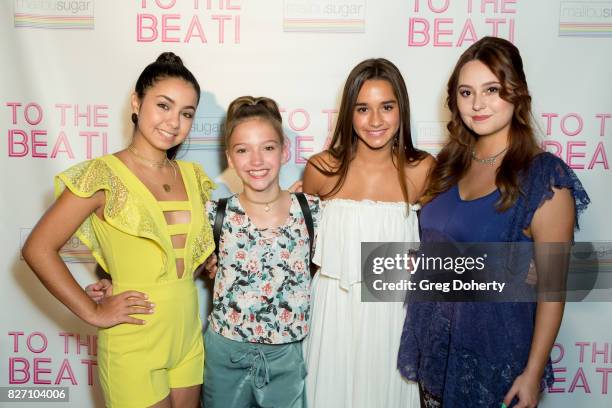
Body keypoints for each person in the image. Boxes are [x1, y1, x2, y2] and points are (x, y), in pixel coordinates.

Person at [397, 37, 590, 408]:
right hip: (437, 355)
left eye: (492, 90)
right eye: (466, 92)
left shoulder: (543, 177)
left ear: (516, 94)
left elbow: (553, 288)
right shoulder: (448, 167)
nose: (477, 104)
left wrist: (532, 374)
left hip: (496, 365)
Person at [22, 52, 214, 408]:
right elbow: (37, 248)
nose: (174, 122)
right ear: (137, 102)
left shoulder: (193, 178)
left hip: (187, 336)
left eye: (186, 113)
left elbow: (180, 256)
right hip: (133, 339)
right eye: (164, 106)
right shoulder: (103, 175)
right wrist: (93, 311)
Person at [302, 58, 434, 407]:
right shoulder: (322, 169)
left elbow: (446, 238)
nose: (375, 121)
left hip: (391, 316)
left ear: (401, 109)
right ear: (349, 113)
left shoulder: (422, 170)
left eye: (386, 107)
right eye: (363, 109)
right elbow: (289, 235)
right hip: (332, 315)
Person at [201, 96, 320, 408]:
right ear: (229, 157)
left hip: (286, 358)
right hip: (224, 355)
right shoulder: (214, 214)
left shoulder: (313, 211)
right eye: (243, 150)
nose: (256, 160)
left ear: (284, 151)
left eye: (267, 147)